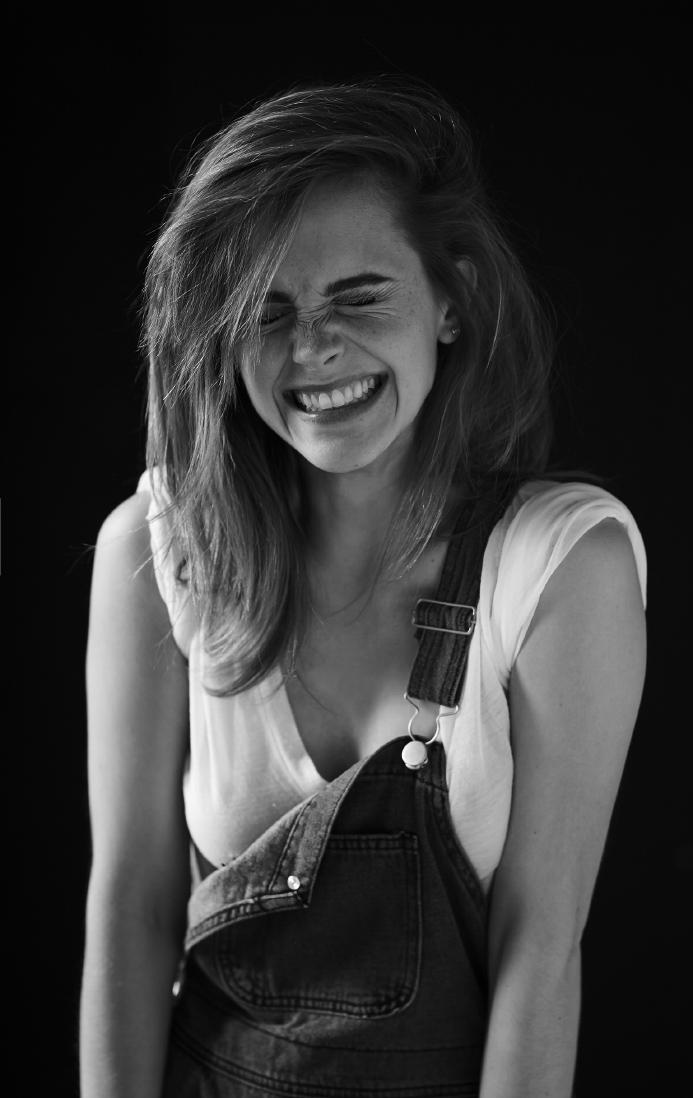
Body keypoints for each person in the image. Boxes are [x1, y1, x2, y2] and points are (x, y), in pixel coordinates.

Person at [80, 78, 647, 1098]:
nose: (312, 349)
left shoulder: (563, 565)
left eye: (358, 296)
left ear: (451, 300)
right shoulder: (158, 550)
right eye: (268, 311)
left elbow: (541, 946)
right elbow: (130, 909)